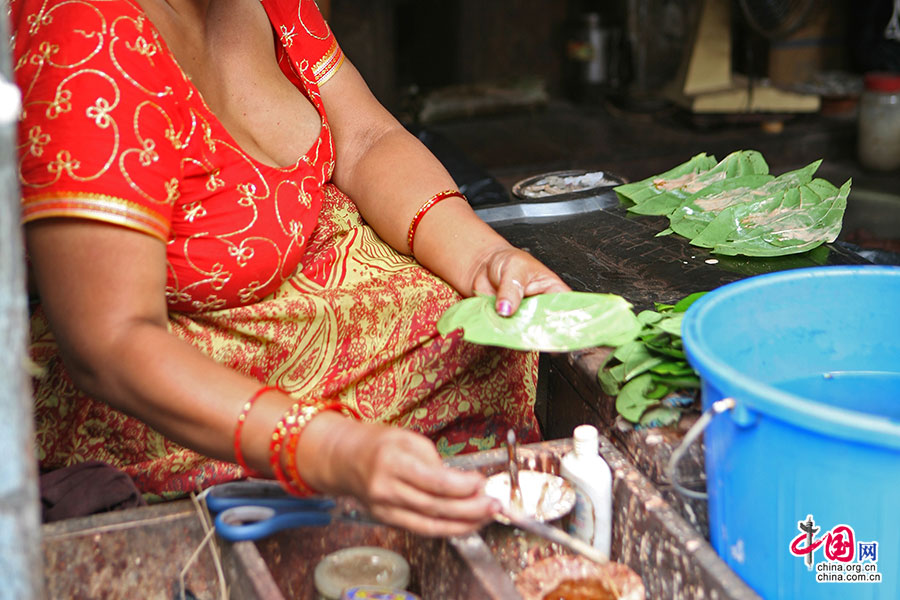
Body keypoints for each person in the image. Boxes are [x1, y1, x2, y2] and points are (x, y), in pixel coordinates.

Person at [12, 0, 569, 537]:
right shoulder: (83, 38)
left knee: (489, 333)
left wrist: (484, 258)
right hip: (193, 417)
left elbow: (366, 139)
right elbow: (110, 343)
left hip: (337, 384)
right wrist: (325, 448)